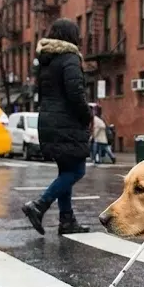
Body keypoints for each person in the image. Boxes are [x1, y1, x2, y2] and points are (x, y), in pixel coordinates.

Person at [22, 18, 93, 235]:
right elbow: (75, 93)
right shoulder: (70, 58)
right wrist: (87, 115)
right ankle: (40, 205)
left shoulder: (47, 61)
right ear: (71, 36)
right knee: (77, 170)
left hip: (48, 120)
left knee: (66, 170)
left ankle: (67, 220)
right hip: (66, 122)